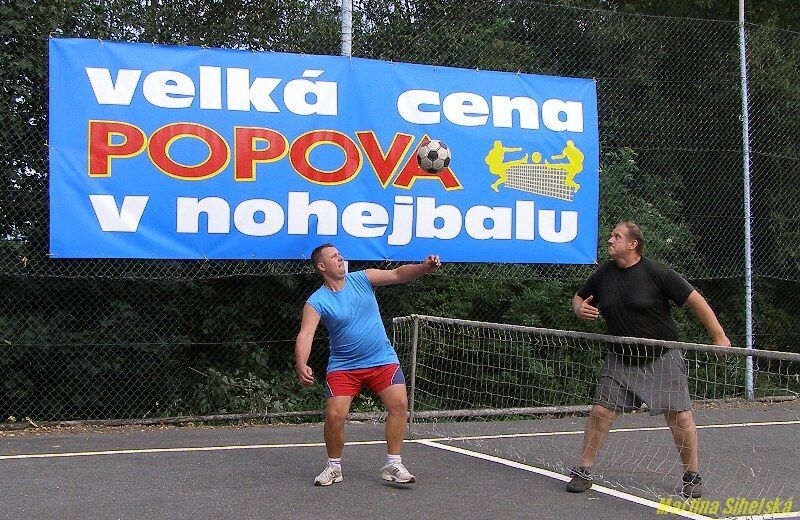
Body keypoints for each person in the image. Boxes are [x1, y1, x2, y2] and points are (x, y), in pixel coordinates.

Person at [566, 221, 730, 498]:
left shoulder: (657, 272)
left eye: (617, 236)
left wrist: (719, 336)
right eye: (611, 235)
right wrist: (580, 309)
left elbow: (695, 300)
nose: (610, 240)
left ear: (633, 244)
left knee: (680, 418)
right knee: (601, 413)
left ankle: (691, 475)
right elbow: (579, 297)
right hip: (620, 357)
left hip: (661, 357)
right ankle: (583, 470)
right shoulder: (604, 273)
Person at [295, 243, 441, 486]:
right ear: (322, 266)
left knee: (399, 405)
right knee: (334, 415)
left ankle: (393, 464)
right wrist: (301, 363)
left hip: (381, 359)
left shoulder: (363, 278)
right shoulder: (317, 301)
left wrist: (423, 268)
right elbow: (306, 334)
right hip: (344, 366)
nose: (340, 258)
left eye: (340, 254)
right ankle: (334, 467)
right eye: (333, 256)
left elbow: (397, 274)